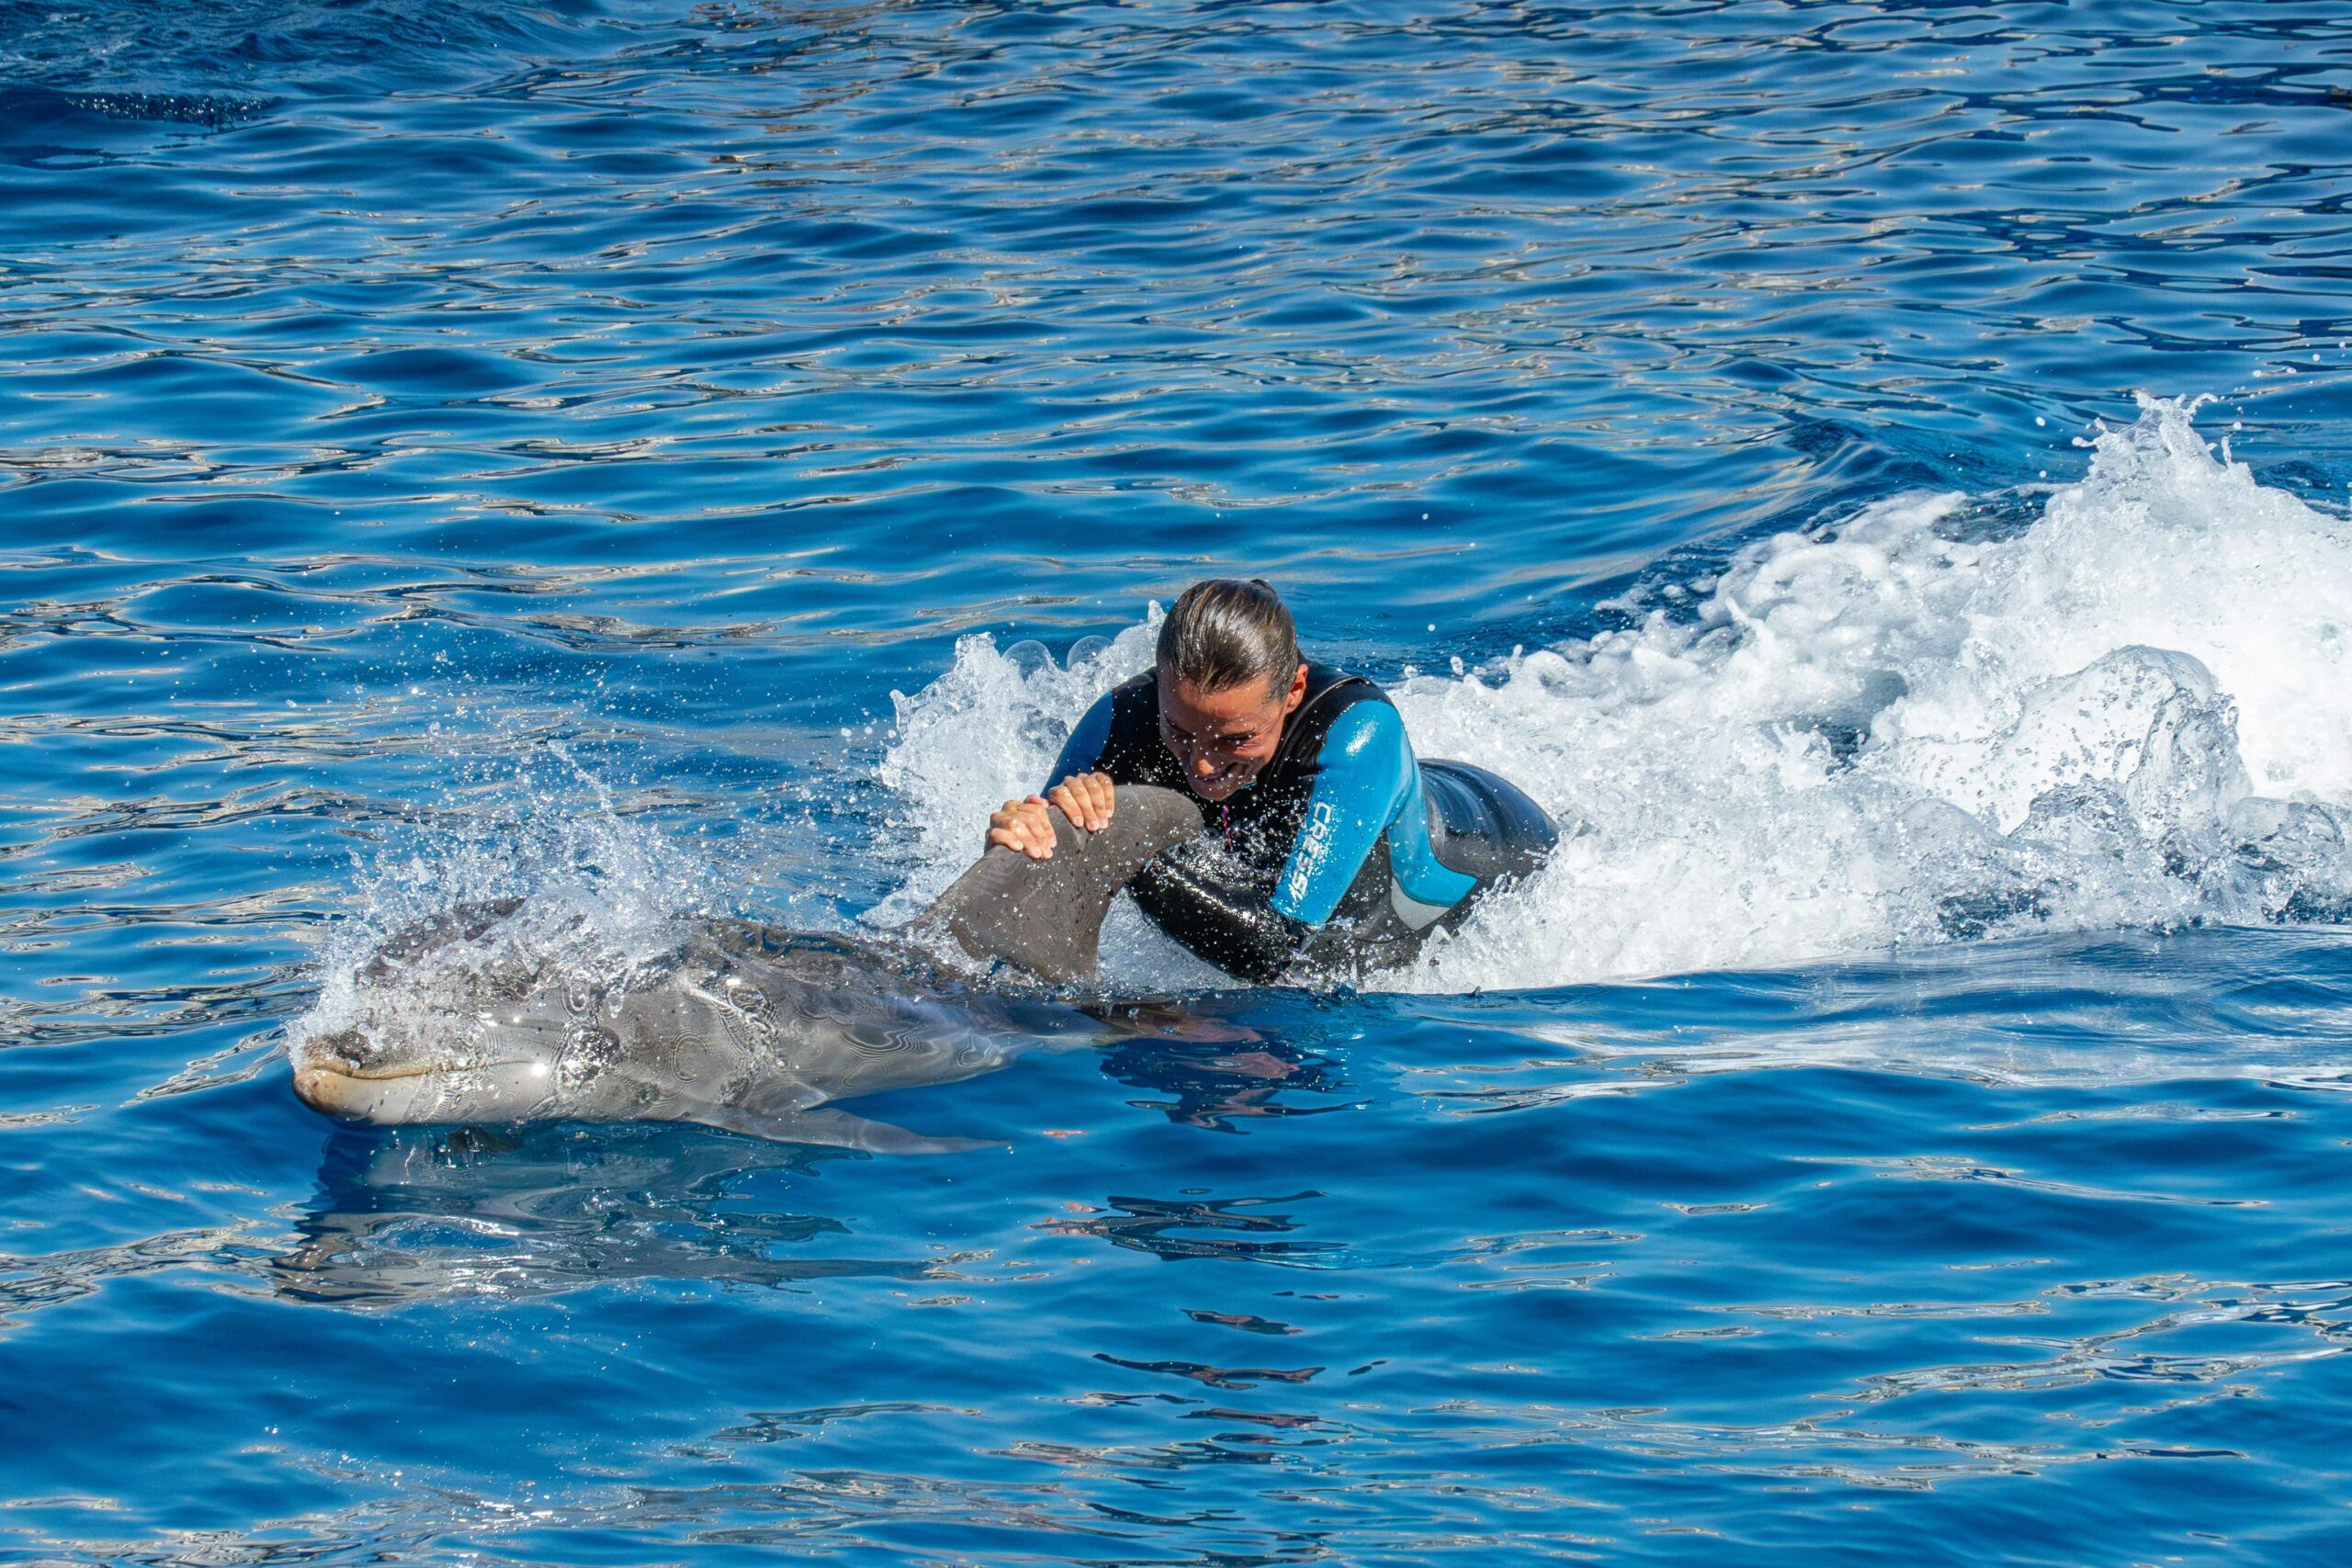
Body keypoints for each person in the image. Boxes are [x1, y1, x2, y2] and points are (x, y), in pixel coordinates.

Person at [988, 579, 1556, 983]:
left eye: (1235, 740)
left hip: (1495, 843)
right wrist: (1025, 835)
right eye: (1180, 732)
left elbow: (1270, 951)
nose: (1203, 765)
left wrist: (1119, 850)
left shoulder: (1358, 733)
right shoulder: (1122, 719)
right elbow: (1036, 889)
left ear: (1291, 692)